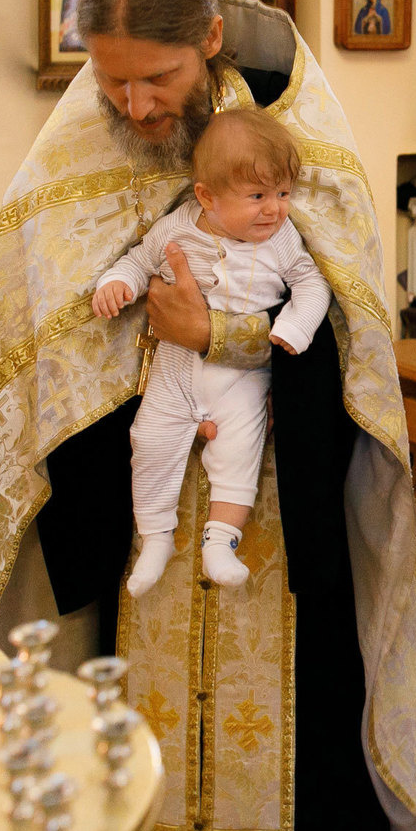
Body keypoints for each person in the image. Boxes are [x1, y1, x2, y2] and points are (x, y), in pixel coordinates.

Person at [0, 0, 416, 831]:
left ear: (208, 42)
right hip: (142, 525)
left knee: (300, 753)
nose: (131, 103)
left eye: (154, 77)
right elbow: (42, 328)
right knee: (136, 760)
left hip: (285, 528)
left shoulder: (299, 159)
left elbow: (353, 360)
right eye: (109, 78)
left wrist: (212, 337)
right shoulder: (85, 153)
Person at [92, 107, 329, 594]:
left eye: (283, 194)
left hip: (241, 379)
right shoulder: (179, 228)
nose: (275, 209)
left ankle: (220, 542)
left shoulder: (281, 238)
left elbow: (311, 282)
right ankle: (155, 537)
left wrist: (296, 327)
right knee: (150, 439)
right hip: (176, 369)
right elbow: (139, 260)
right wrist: (118, 282)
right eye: (258, 196)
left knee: (237, 450)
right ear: (208, 197)